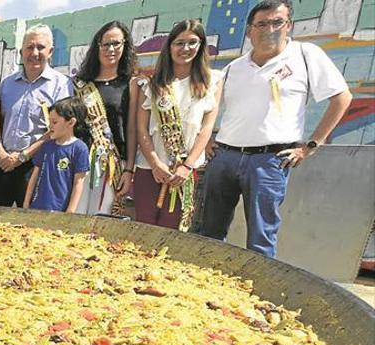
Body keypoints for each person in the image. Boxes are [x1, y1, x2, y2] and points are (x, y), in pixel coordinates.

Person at [201, 0, 352, 257]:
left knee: (261, 237)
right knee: (210, 232)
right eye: (261, 24)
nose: (269, 29)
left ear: (288, 26)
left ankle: (258, 293)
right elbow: (207, 107)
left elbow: (342, 98)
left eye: (277, 22)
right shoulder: (234, 68)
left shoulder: (305, 55)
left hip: (269, 160)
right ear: (249, 31)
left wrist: (312, 144)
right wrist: (205, 140)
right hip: (224, 156)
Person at [134, 19, 222, 230]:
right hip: (150, 168)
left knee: (173, 232)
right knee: (144, 229)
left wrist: (187, 166)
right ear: (170, 46)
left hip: (184, 173)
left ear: (201, 46)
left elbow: (206, 128)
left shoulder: (212, 81)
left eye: (192, 42)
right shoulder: (152, 82)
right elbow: (141, 129)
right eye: (179, 43)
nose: (186, 48)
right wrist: (155, 163)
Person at [0, 24, 74, 207]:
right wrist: (1, 151)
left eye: (41, 47)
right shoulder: (7, 83)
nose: (34, 52)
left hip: (35, 167)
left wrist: (22, 156)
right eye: (29, 47)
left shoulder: (62, 86)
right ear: (21, 51)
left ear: (50, 51)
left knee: (29, 227)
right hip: (2, 162)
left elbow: (57, 130)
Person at [73, 21, 140, 215]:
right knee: (76, 219)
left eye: (116, 43)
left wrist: (129, 170)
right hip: (81, 163)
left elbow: (131, 128)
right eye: (105, 44)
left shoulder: (131, 84)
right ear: (97, 46)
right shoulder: (80, 84)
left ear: (125, 46)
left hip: (112, 165)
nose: (110, 49)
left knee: (104, 221)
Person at [23, 98, 89, 213]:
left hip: (60, 211)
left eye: (54, 122)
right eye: (49, 121)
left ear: (71, 122)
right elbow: (34, 176)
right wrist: (26, 204)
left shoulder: (80, 148)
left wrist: (70, 211)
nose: (50, 126)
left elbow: (78, 183)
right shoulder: (46, 146)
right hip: (36, 208)